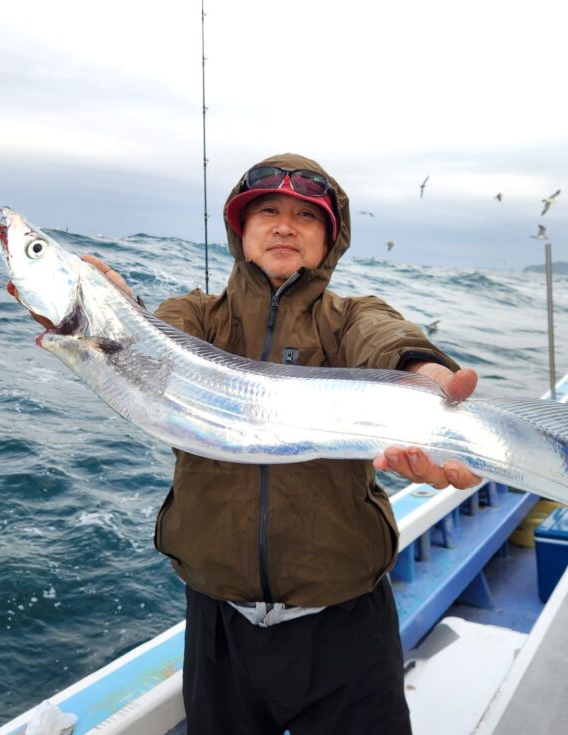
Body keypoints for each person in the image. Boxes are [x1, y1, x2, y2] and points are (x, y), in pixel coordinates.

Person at [70, 153, 479, 734]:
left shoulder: (351, 317)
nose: (284, 225)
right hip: (218, 627)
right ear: (242, 230)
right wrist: (103, 313)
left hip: (345, 625)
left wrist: (425, 376)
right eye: (267, 211)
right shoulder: (194, 316)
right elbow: (147, 353)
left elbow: (389, 342)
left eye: (304, 216)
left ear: (329, 240)